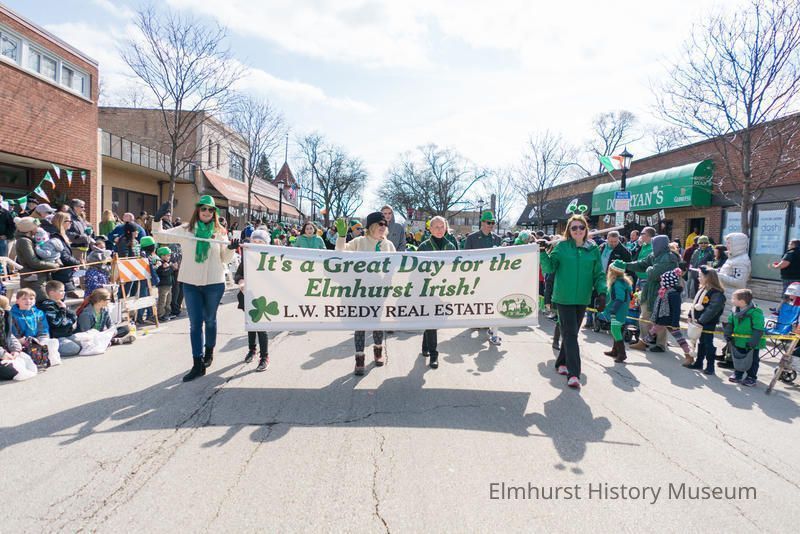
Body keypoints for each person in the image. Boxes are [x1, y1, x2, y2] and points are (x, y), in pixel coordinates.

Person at [153, 195, 236, 382]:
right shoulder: (186, 230)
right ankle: (197, 364)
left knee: (210, 320)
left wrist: (231, 248)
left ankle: (209, 352)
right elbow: (159, 236)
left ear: (214, 213)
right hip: (190, 283)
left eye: (210, 209)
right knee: (195, 324)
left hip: (214, 283)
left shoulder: (220, 232)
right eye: (203, 208)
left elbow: (225, 259)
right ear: (198, 210)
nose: (206, 212)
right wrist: (157, 219)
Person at [540, 213, 606, 389]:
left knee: (572, 333)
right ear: (569, 230)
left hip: (582, 297)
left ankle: (561, 362)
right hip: (563, 297)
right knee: (570, 334)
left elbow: (599, 273)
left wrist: (602, 292)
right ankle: (574, 373)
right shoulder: (561, 247)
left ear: (586, 229)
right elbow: (549, 268)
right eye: (574, 227)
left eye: (581, 227)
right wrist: (542, 252)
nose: (578, 230)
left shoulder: (593, 249)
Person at [335, 211, 396, 375]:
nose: (383, 226)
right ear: (371, 226)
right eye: (380, 224)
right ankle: (359, 359)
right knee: (360, 325)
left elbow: (394, 266)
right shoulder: (359, 242)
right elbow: (340, 253)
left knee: (377, 324)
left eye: (385, 224)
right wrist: (341, 236)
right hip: (360, 292)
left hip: (379, 291)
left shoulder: (389, 245)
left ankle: (378, 352)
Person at [626, 234, 678, 353]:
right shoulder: (654, 255)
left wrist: (649, 268)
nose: (653, 246)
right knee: (644, 317)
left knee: (661, 319)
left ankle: (661, 344)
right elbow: (641, 264)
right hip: (650, 290)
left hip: (662, 292)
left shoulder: (669, 257)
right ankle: (643, 342)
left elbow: (654, 273)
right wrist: (625, 264)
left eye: (655, 244)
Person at [417, 216, 456, 369]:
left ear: (446, 228)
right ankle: (434, 355)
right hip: (427, 289)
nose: (439, 230)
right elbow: (417, 269)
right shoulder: (424, 246)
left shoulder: (451, 246)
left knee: (434, 321)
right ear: (430, 229)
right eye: (436, 227)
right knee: (432, 320)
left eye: (442, 227)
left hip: (444, 289)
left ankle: (425, 344)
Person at [463, 211, 504, 345]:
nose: (491, 225)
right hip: (476, 275)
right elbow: (466, 256)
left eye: (493, 223)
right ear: (482, 223)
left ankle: (488, 324)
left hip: (492, 276)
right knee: (476, 299)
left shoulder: (497, 239)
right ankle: (475, 320)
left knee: (490, 299)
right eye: (489, 222)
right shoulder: (472, 238)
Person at [640, 268, 695, 366]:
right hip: (663, 319)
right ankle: (688, 354)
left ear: (668, 281)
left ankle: (689, 356)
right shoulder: (665, 291)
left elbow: (676, 311)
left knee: (656, 331)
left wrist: (675, 323)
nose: (661, 282)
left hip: (667, 320)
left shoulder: (673, 294)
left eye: (663, 280)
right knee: (676, 337)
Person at [235, 229, 270, 371]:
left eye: (260, 242)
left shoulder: (270, 258)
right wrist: (241, 281)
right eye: (254, 241)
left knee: (261, 328)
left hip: (263, 297)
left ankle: (264, 357)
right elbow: (238, 274)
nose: (256, 243)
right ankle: (252, 350)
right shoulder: (247, 257)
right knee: (250, 325)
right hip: (247, 295)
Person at [717, 233, 752, 369]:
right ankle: (727, 353)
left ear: (738, 244)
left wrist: (719, 275)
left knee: (731, 331)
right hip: (728, 297)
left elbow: (739, 282)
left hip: (734, 300)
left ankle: (732, 359)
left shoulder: (741, 260)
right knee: (728, 330)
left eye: (729, 243)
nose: (727, 245)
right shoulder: (733, 258)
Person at [587, 231, 632, 329]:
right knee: (593, 298)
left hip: (612, 280)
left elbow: (628, 268)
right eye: (611, 241)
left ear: (618, 239)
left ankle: (604, 321)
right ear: (607, 239)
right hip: (598, 277)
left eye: (615, 241)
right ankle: (590, 321)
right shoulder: (601, 247)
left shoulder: (624, 251)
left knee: (607, 300)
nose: (613, 244)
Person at [687, 267, 726, 375]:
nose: (698, 278)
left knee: (708, 343)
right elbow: (695, 304)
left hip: (708, 323)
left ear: (708, 278)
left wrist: (701, 320)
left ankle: (710, 366)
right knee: (701, 342)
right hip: (699, 322)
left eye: (700, 276)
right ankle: (699, 362)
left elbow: (712, 309)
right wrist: (690, 314)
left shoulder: (717, 293)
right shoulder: (703, 289)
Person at [724, 289, 765, 387]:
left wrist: (753, 341)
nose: (732, 300)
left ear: (742, 301)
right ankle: (738, 373)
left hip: (753, 343)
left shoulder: (756, 312)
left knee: (753, 360)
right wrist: (728, 333)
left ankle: (751, 377)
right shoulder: (734, 310)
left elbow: (758, 328)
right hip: (739, 340)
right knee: (739, 358)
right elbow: (730, 323)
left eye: (734, 298)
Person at [13, 217, 59, 303]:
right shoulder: (24, 241)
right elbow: (33, 262)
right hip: (33, 279)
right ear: (29, 229)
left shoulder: (30, 239)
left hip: (39, 276)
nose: (38, 228)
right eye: (36, 226)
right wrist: (53, 266)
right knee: (41, 302)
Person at [600, 260, 633, 363]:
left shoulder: (618, 283)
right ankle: (615, 351)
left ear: (613, 271)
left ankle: (622, 354)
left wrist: (613, 310)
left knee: (615, 330)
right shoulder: (623, 282)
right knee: (616, 329)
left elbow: (620, 298)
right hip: (621, 309)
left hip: (618, 310)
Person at [39, 280, 82, 357]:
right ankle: (51, 351)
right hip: (56, 336)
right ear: (52, 293)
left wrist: (65, 313)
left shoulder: (60, 303)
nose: (64, 293)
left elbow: (73, 317)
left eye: (64, 291)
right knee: (75, 349)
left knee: (83, 344)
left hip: (66, 333)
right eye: (61, 291)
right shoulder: (48, 306)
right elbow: (56, 323)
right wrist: (62, 310)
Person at [0, 295, 35, 382]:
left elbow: (9, 336)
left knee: (28, 356)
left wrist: (15, 350)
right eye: (7, 306)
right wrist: (3, 354)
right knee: (9, 370)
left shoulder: (4, 317)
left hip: (5, 352)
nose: (9, 307)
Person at [49, 212, 82, 295]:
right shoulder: (55, 237)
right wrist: (78, 262)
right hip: (60, 273)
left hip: (65, 272)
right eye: (69, 221)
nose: (71, 223)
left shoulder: (61, 235)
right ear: (61, 222)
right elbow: (64, 257)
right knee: (60, 297)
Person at [155, 247, 175, 322]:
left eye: (169, 255)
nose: (169, 257)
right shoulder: (160, 263)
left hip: (169, 285)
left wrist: (170, 267)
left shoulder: (168, 264)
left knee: (168, 301)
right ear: (162, 256)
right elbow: (164, 273)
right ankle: (160, 315)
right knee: (162, 301)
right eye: (167, 255)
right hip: (163, 285)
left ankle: (167, 314)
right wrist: (171, 268)